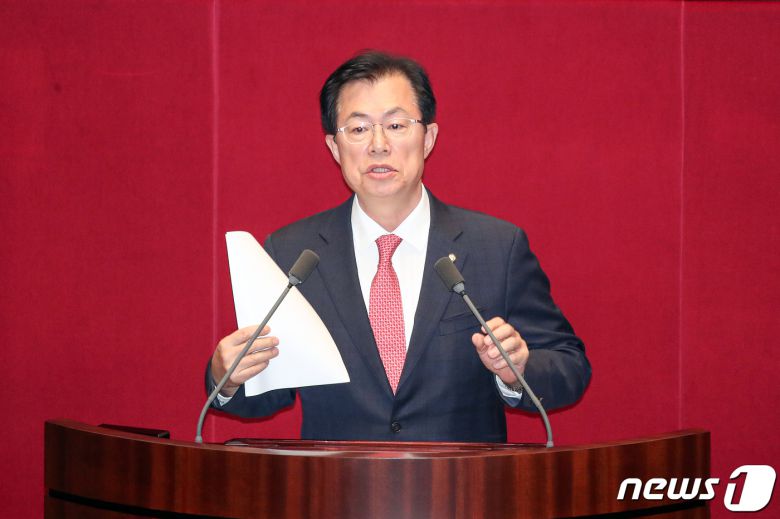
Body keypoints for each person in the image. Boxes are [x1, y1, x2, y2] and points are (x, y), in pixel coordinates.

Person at [207, 51, 590, 442]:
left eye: (395, 125)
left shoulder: (496, 247)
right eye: (358, 129)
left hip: (464, 479)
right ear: (335, 148)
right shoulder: (295, 254)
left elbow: (569, 366)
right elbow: (266, 392)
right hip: (334, 479)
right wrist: (227, 376)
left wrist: (518, 371)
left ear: (428, 138)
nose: (378, 145)